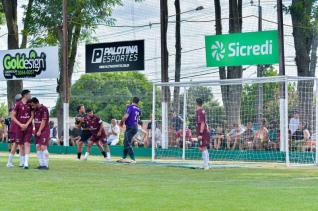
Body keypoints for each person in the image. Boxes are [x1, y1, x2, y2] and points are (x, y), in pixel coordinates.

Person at [7, 90, 33, 169]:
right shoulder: (17, 105)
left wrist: (26, 124)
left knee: (24, 144)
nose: (30, 95)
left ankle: (24, 163)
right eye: (29, 94)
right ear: (24, 95)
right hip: (17, 128)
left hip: (24, 127)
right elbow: (12, 116)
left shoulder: (29, 104)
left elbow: (32, 116)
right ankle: (10, 162)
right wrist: (21, 124)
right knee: (17, 144)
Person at [118, 97, 141, 163]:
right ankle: (123, 158)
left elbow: (126, 116)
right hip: (135, 127)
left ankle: (133, 159)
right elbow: (138, 115)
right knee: (125, 142)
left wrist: (121, 122)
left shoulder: (130, 107)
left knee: (127, 143)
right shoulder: (138, 109)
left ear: (132, 101)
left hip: (130, 127)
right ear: (138, 102)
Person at [31, 97, 50, 170]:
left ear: (37, 103)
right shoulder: (35, 110)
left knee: (43, 147)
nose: (32, 107)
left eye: (33, 105)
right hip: (37, 131)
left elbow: (44, 121)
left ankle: (46, 165)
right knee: (38, 147)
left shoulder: (44, 109)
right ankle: (41, 164)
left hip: (44, 130)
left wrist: (39, 130)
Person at [196, 98, 210, 170]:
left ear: (196, 104)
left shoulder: (200, 111)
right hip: (204, 131)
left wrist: (200, 133)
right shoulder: (202, 111)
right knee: (203, 147)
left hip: (202, 132)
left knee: (202, 147)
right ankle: (205, 164)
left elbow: (202, 123)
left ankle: (206, 165)